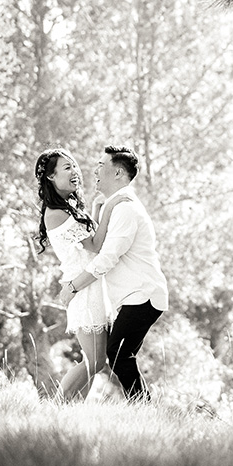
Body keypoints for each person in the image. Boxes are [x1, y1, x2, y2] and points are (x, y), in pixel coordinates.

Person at [61, 146, 169, 402]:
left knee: (119, 354)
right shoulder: (117, 205)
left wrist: (73, 287)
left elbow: (106, 257)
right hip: (134, 296)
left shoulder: (126, 208)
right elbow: (99, 242)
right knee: (120, 355)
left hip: (144, 295)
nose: (95, 170)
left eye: (101, 165)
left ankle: (143, 409)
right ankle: (143, 408)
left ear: (118, 172)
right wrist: (99, 209)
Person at [34, 148, 128, 402]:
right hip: (82, 288)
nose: (75, 172)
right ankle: (57, 405)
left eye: (74, 166)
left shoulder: (69, 208)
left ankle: (73, 411)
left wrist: (97, 209)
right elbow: (96, 246)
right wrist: (111, 206)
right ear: (51, 177)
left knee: (94, 360)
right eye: (67, 168)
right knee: (96, 361)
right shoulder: (56, 213)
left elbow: (91, 241)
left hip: (92, 285)